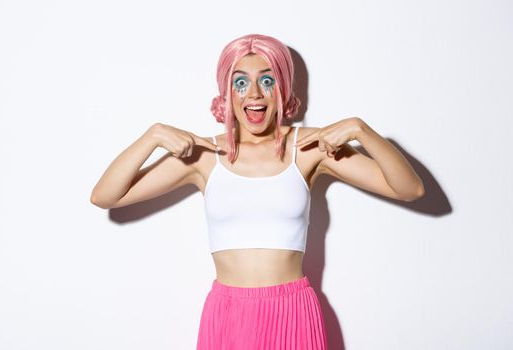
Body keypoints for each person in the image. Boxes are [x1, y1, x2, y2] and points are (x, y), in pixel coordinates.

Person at [90, 33, 425, 350]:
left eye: (268, 80)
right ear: (226, 92)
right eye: (240, 82)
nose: (254, 94)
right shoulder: (204, 155)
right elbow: (106, 196)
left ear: (283, 88)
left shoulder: (307, 147)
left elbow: (409, 188)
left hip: (293, 311)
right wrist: (153, 136)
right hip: (227, 314)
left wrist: (360, 130)